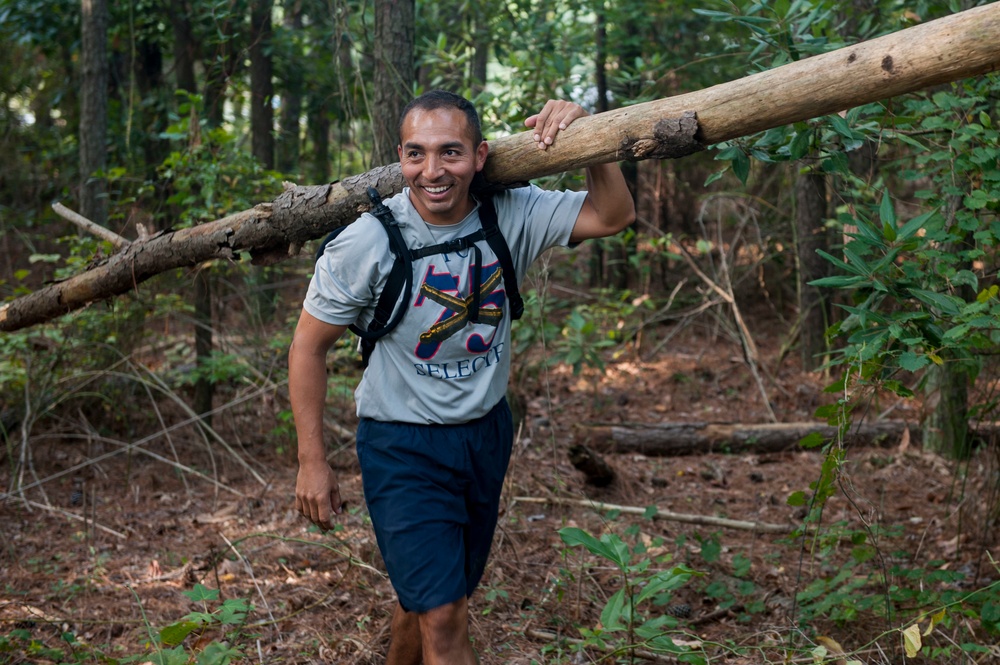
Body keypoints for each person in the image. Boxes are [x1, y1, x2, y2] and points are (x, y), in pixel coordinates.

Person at [290, 90, 635, 665]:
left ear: (480, 156)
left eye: (450, 152)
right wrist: (311, 461)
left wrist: (591, 140)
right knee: (446, 616)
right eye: (417, 154)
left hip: (485, 435)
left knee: (429, 598)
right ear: (400, 158)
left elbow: (614, 215)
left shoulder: (512, 212)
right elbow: (308, 347)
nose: (433, 171)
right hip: (401, 443)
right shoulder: (367, 242)